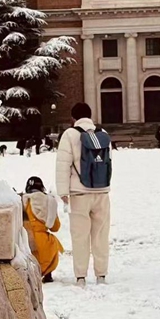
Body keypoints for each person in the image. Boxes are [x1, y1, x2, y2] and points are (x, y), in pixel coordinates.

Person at [56, 102, 112, 287]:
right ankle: (101, 274)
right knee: (101, 235)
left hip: (79, 193)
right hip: (102, 191)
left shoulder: (70, 135)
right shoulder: (102, 135)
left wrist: (63, 192)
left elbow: (63, 164)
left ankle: (81, 276)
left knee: (80, 236)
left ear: (74, 118)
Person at [22, 176, 63, 283]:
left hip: (27, 242)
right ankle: (48, 273)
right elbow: (55, 227)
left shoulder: (21, 201)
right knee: (53, 241)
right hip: (44, 244)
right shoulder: (49, 202)